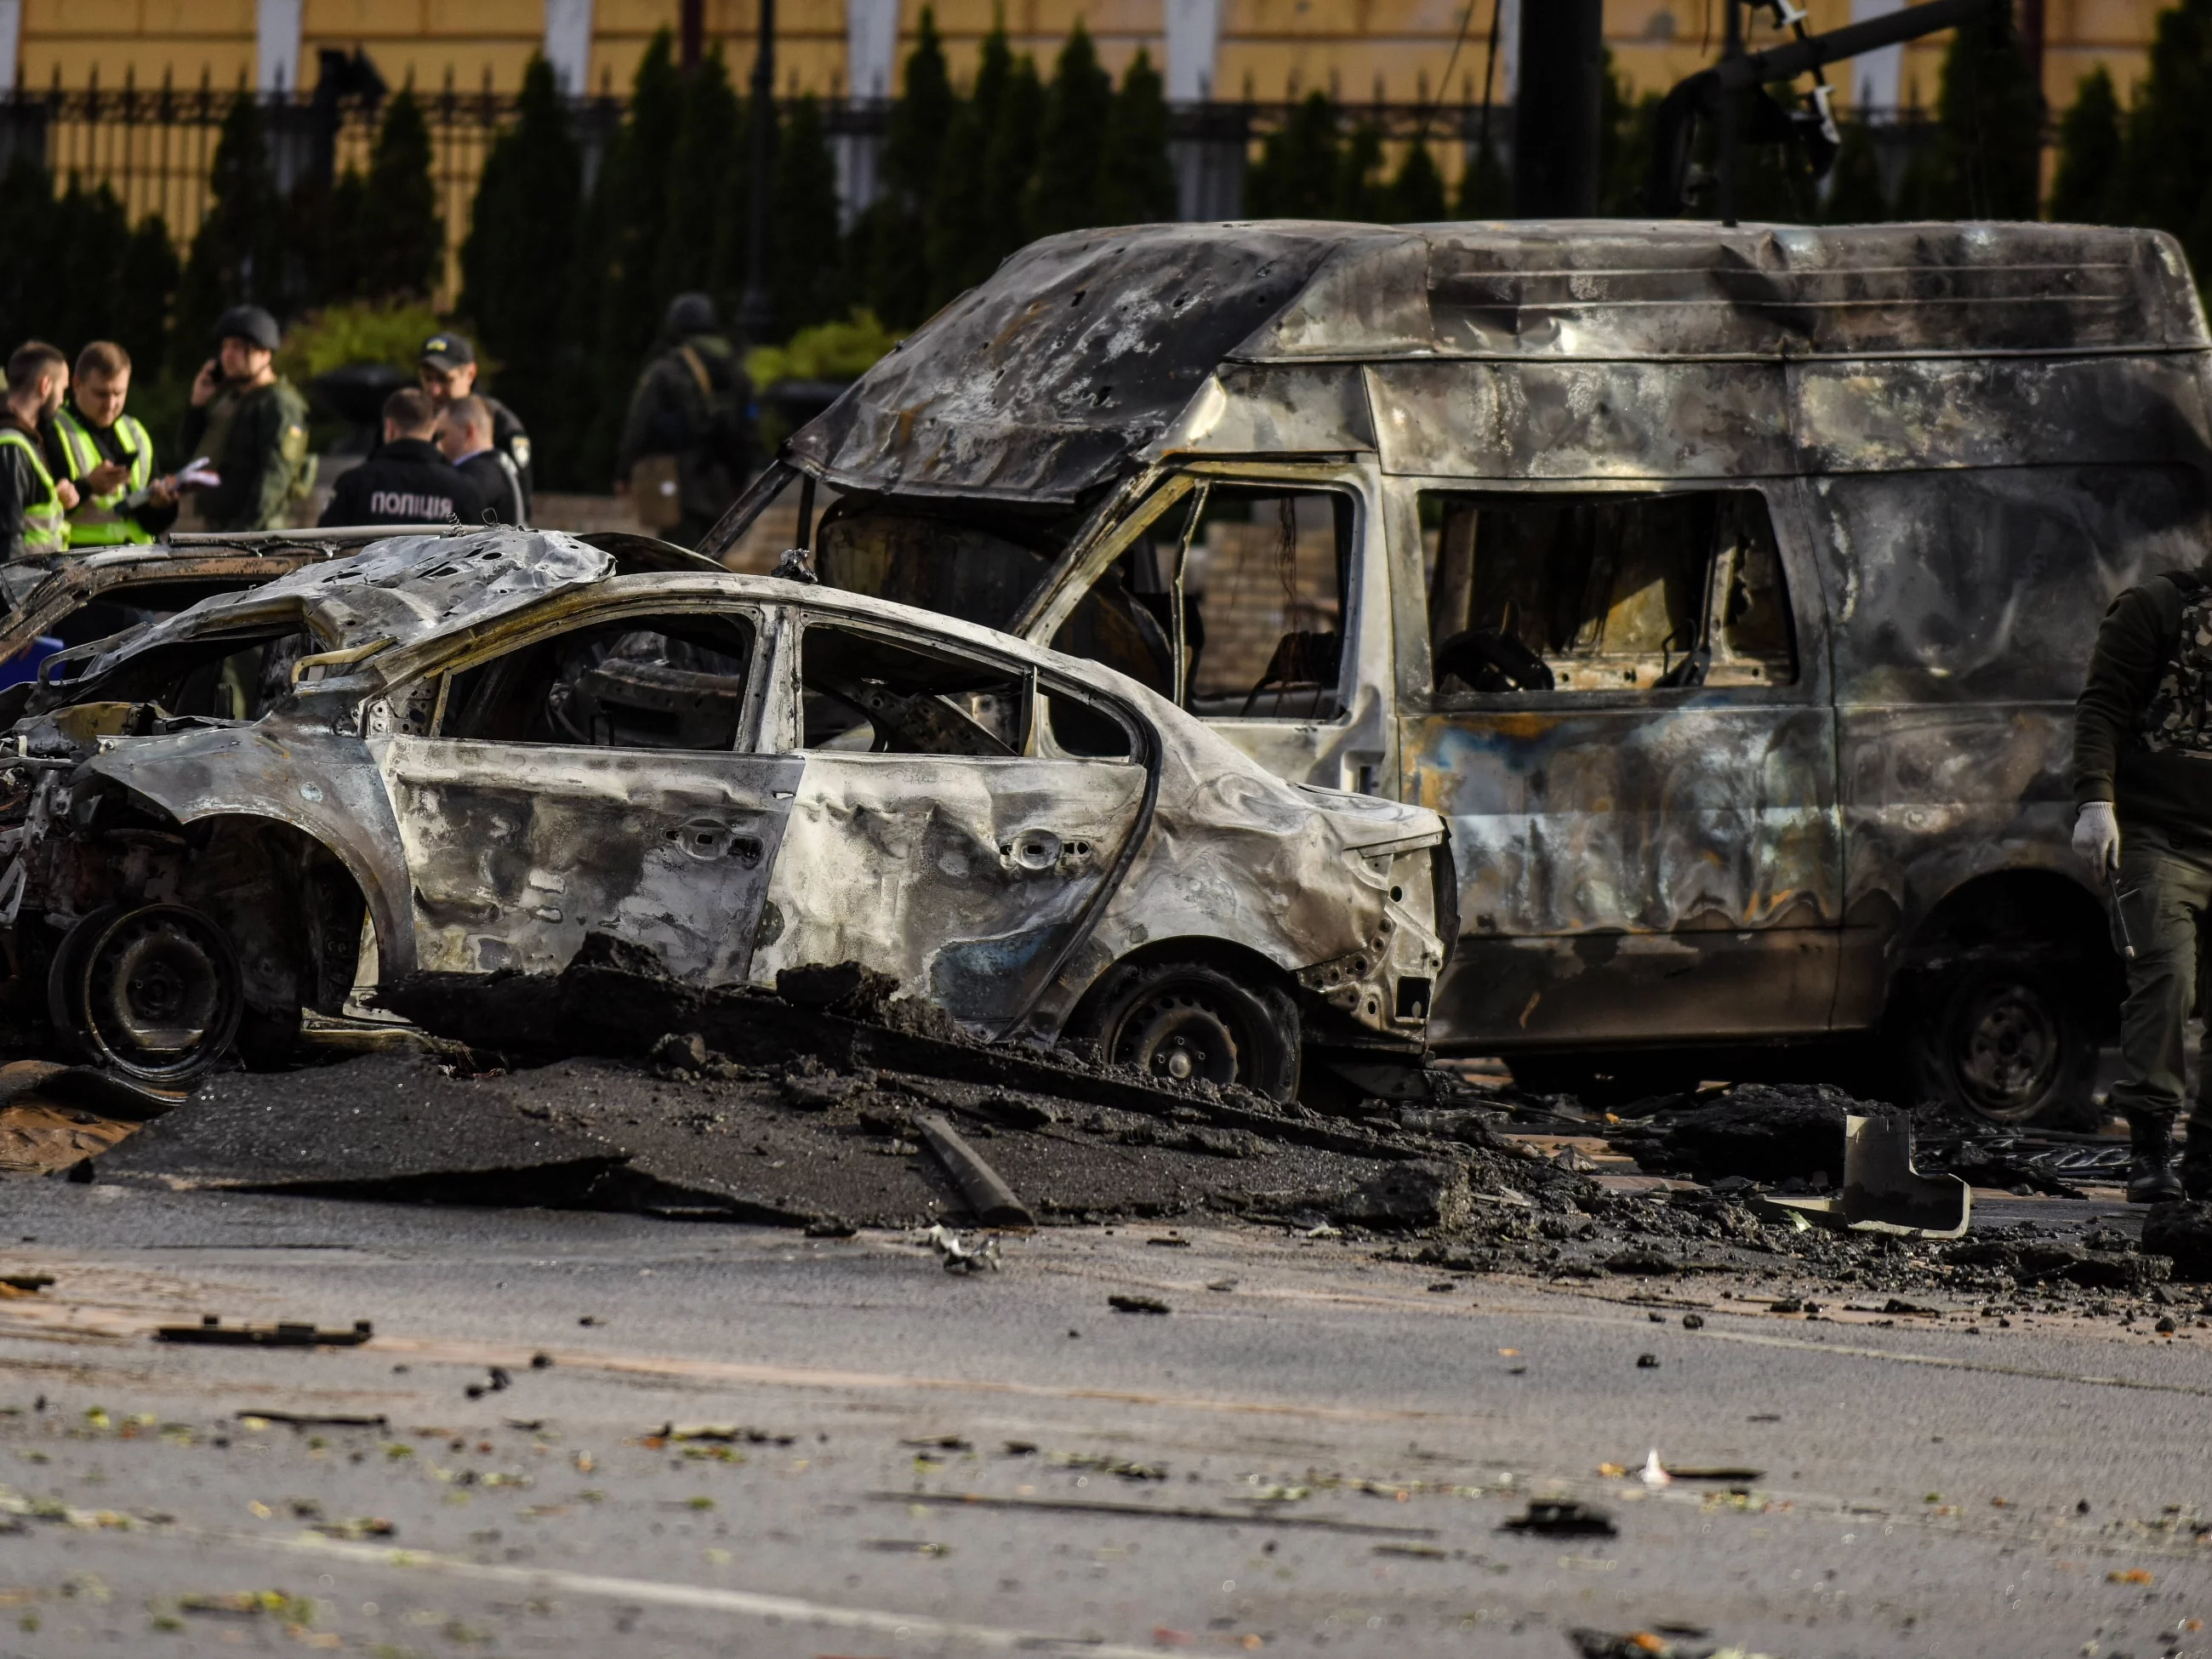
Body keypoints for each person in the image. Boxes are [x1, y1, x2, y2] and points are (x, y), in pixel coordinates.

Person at [2074, 569, 2212, 1202]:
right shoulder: (2157, 607)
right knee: (2167, 977)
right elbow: (2102, 704)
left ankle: (2208, 1156)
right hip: (2157, 833)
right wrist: (2095, 801)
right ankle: (2151, 1149)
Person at [616, 292, 750, 548]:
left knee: (678, 558)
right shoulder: (734, 367)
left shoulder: (668, 370)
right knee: (713, 556)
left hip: (680, 482)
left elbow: (639, 425)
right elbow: (747, 428)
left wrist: (623, 473)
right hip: (722, 483)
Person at [178, 305, 312, 533]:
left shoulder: (280, 404)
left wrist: (243, 535)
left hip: (257, 537)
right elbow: (191, 457)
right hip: (220, 532)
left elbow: (275, 480)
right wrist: (198, 405)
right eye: (225, 346)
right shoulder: (231, 400)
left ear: (265, 353)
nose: (227, 355)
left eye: (239, 347)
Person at [51, 341, 176, 546]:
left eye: (119, 393)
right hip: (80, 560)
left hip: (138, 558)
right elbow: (40, 514)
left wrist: (162, 505)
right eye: (101, 394)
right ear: (77, 384)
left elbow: (152, 522)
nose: (110, 404)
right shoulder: (53, 430)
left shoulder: (134, 431)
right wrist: (87, 487)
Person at [320, 387, 486, 528]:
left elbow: (323, 545)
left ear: (390, 427)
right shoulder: (463, 490)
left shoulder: (355, 484)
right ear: (433, 428)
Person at [417, 332, 532, 522]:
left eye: (444, 379)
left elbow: (519, 505)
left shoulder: (501, 424)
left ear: (470, 373)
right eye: (427, 379)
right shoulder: (411, 416)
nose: (434, 390)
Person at [0, 342, 77, 562]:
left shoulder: (22, 438)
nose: (63, 400)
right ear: (45, 385)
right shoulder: (11, 445)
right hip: (24, 589)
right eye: (62, 390)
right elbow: (8, 537)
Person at [436, 396, 525, 526]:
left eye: (443, 435)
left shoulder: (480, 475)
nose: (438, 444)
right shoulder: (496, 466)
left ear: (468, 432)